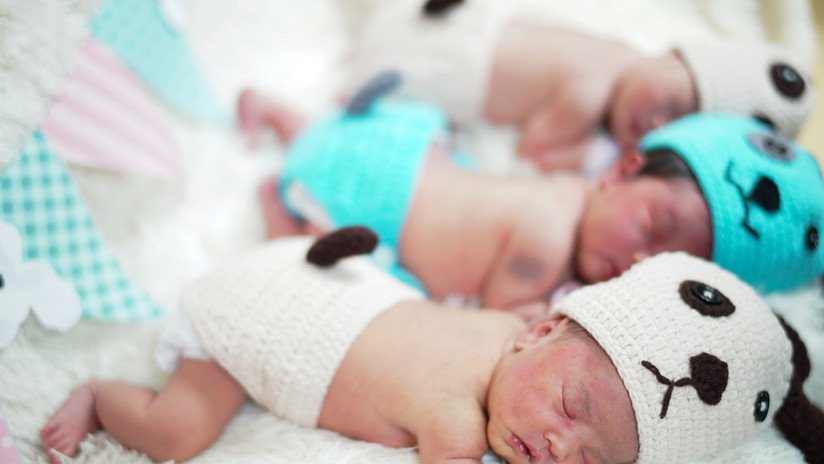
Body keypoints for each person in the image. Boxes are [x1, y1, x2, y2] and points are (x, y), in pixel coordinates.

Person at [40, 231, 823, 463]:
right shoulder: (454, 427)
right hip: (247, 328)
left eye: (587, 462)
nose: (556, 445)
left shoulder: (511, 327)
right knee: (177, 435)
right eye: (568, 409)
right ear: (546, 328)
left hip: (319, 269)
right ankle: (104, 396)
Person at [238, 82, 824, 317]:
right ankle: (275, 211)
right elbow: (499, 316)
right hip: (378, 206)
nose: (643, 260)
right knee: (309, 264)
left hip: (408, 154)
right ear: (622, 170)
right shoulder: (547, 242)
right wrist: (539, 312)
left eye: (674, 263)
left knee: (317, 130)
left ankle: (277, 112)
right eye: (651, 228)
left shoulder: (581, 191)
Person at [345, 0, 815, 172]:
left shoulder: (625, 57)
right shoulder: (592, 91)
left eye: (671, 129)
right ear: (674, 53)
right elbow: (537, 150)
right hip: (434, 67)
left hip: (454, 20)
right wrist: (594, 155)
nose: (652, 125)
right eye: (671, 103)